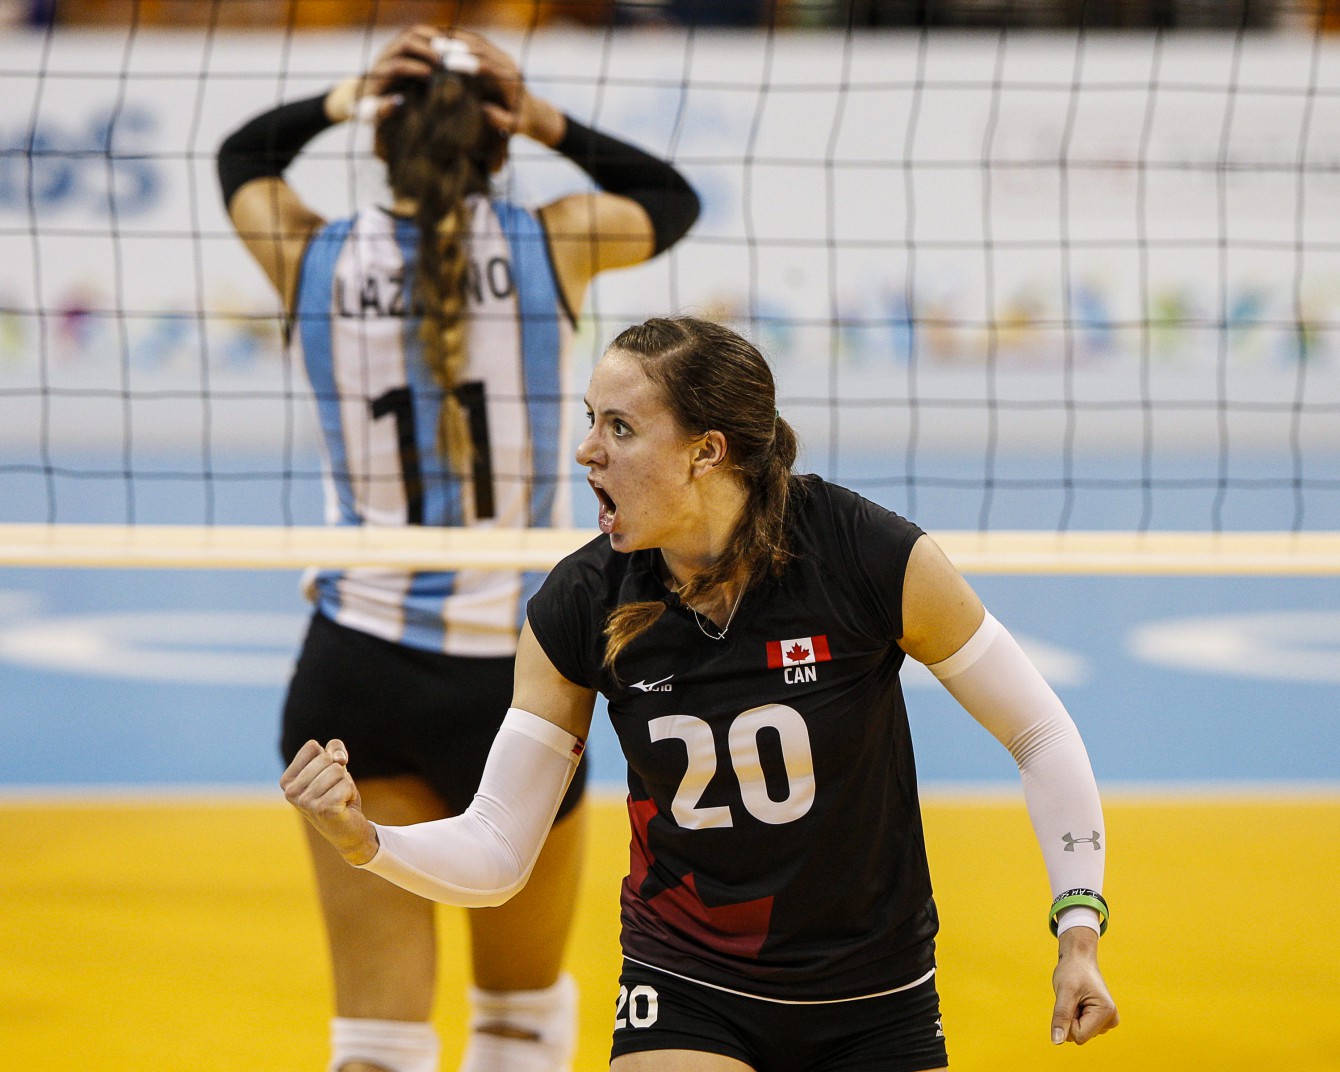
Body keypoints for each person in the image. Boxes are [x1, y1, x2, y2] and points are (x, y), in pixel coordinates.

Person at [282, 316, 1119, 1071]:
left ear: (705, 451)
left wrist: (1077, 931)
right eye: (589, 420)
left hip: (873, 991)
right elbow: (499, 850)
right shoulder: (580, 602)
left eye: (619, 428)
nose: (586, 452)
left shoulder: (866, 556)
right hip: (687, 982)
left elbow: (1039, 734)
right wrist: (368, 842)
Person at [219, 26, 699, 1072]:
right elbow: (671, 200)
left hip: (356, 670)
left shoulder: (311, 252)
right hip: (520, 680)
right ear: (496, 140)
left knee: (376, 1039)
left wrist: (345, 95)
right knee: (520, 1024)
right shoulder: (554, 242)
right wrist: (544, 118)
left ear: (382, 139)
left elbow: (242, 158)